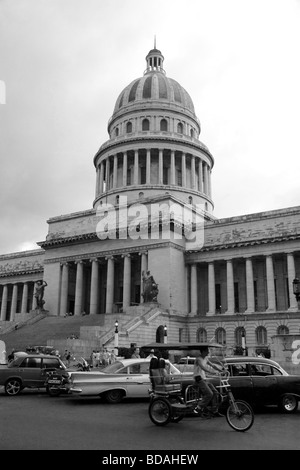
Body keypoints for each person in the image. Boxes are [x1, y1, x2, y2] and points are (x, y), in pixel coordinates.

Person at [193, 347, 224, 417]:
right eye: (207, 351)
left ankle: (214, 410)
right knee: (209, 393)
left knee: (215, 393)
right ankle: (198, 407)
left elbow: (212, 365)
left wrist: (221, 370)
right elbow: (202, 367)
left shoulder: (206, 358)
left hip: (204, 378)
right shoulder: (198, 359)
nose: (208, 352)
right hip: (198, 379)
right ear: (203, 351)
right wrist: (210, 372)